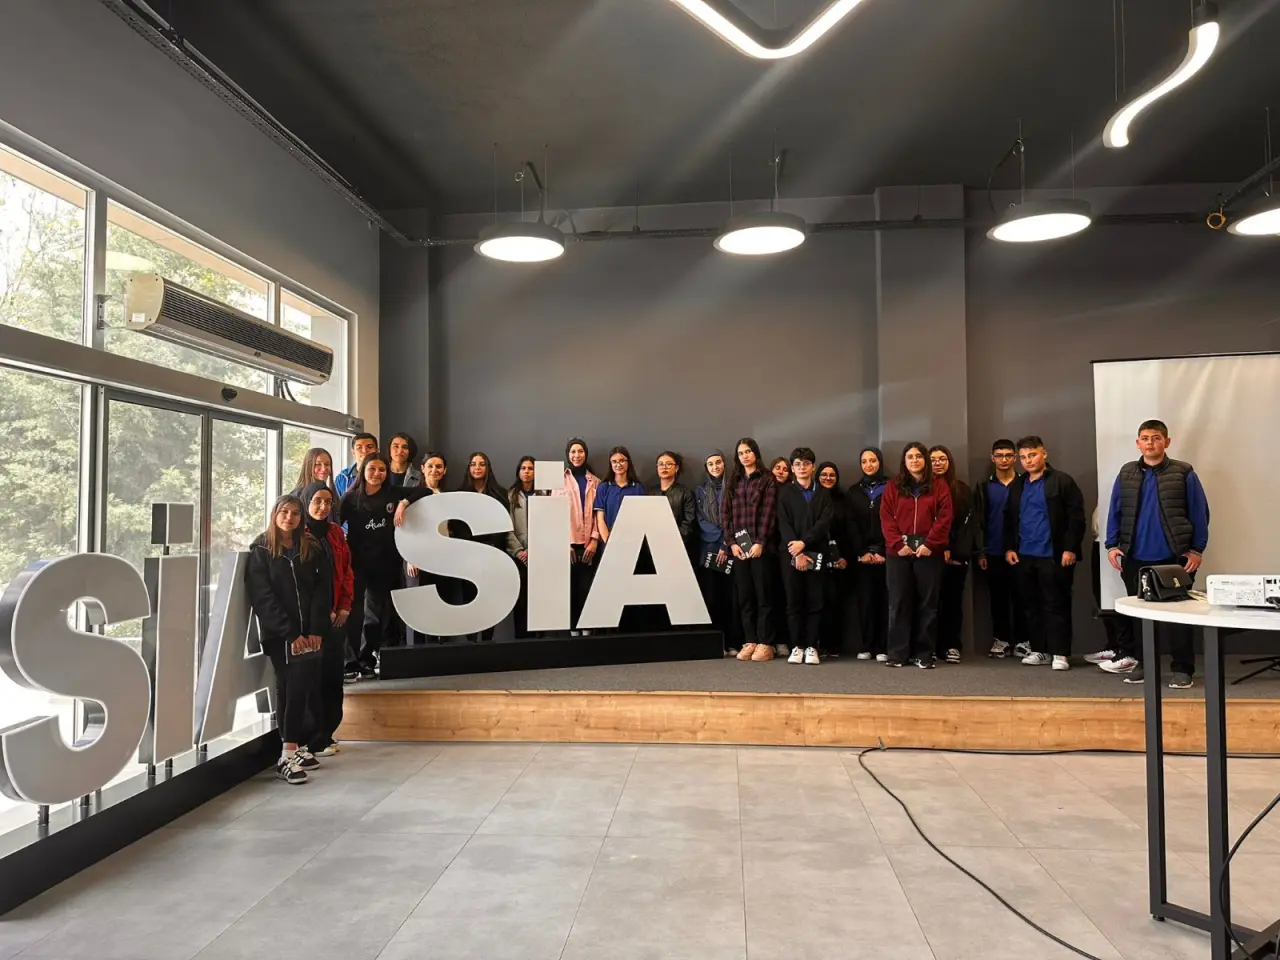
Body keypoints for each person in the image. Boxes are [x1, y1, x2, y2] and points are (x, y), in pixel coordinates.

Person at [1096, 420, 1209, 688]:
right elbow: (1115, 510)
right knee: (1140, 617)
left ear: (1166, 442)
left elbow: (1200, 512)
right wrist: (1112, 545)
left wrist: (1196, 549)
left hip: (1174, 558)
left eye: (1156, 438)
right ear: (1138, 443)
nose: (1150, 443)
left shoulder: (1184, 472)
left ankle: (1182, 669)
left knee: (1179, 618)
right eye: (1145, 438)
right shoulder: (1127, 473)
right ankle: (1145, 665)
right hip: (1135, 557)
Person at [244, 494, 330, 784]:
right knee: (292, 688)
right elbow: (262, 597)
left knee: (298, 688)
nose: (289, 518)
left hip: (309, 634)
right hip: (281, 636)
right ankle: (287, 755)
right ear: (274, 514)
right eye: (284, 512)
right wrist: (290, 633)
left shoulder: (310, 547)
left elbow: (321, 590)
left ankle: (295, 746)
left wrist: (315, 630)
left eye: (295, 513)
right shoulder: (261, 550)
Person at [341, 451, 432, 677]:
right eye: (372, 469)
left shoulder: (392, 493)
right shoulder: (350, 499)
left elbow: (425, 491)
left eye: (382, 469)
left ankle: (366, 660)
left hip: (384, 564)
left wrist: (403, 503)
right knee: (353, 614)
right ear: (363, 471)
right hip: (356, 564)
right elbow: (335, 525)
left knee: (374, 616)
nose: (377, 473)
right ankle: (349, 663)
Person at [1003, 436, 1086, 672]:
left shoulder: (1062, 481)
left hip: (1054, 555)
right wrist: (1009, 547)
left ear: (1044, 454)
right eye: (1023, 457)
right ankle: (1040, 650)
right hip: (1024, 555)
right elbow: (1009, 518)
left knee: (1056, 604)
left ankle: (1060, 653)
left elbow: (1076, 518)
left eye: (1032, 455)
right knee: (1031, 606)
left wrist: (1070, 548)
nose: (1028, 461)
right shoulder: (1018, 485)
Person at [881, 442, 952, 668]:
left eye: (919, 456)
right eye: (910, 457)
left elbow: (945, 518)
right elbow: (886, 517)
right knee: (898, 603)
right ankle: (898, 653)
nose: (914, 460)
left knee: (928, 605)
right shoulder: (893, 486)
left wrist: (930, 544)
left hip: (929, 553)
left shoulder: (939, 485)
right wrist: (897, 544)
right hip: (898, 553)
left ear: (925, 460)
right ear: (904, 461)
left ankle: (924, 654)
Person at [299, 482, 352, 758]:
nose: (322, 507)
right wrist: (323, 612)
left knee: (333, 677)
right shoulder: (298, 535)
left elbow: (347, 571)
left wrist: (344, 606)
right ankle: (313, 738)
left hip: (337, 618)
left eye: (327, 502)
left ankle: (328, 731)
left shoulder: (335, 532)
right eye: (317, 501)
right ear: (306, 502)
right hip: (312, 621)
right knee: (313, 680)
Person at [722, 437, 779, 662]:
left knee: (764, 596)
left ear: (755, 453)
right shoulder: (733, 481)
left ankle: (765, 642)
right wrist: (731, 543)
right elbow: (725, 514)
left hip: (761, 548)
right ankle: (750, 640)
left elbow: (769, 513)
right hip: (739, 549)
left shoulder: (767, 479)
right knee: (745, 597)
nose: (745, 456)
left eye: (748, 451)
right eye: (741, 453)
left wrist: (760, 542)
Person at [777, 447, 833, 665]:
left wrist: (805, 543)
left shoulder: (824, 494)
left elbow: (824, 523)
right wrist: (797, 549)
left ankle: (811, 646)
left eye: (806, 464)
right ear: (792, 468)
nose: (802, 468)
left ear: (813, 467)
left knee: (815, 601)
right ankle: (797, 646)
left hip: (816, 553)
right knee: (794, 601)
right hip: (790, 553)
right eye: (798, 464)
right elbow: (783, 523)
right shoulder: (785, 494)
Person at [972, 439, 1028, 659]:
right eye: (999, 455)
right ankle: (1001, 640)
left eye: (1008, 455)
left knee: (1023, 597)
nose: (1004, 460)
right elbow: (978, 520)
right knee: (998, 599)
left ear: (1015, 458)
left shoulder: (1025, 483)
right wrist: (981, 551)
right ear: (992, 458)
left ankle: (1023, 641)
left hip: (1022, 551)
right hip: (993, 550)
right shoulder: (984, 486)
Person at [453, 451, 509, 642]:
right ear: (468, 468)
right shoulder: (460, 494)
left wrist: (493, 547)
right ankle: (471, 641)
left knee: (489, 599)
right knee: (470, 598)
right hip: (469, 555)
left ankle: (487, 640)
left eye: (482, 464)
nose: (477, 468)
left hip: (493, 554)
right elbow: (457, 525)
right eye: (473, 464)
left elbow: (504, 524)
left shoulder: (500, 493)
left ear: (488, 468)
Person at [929, 445, 976, 664]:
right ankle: (930, 646)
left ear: (949, 462)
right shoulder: (923, 489)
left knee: (952, 602)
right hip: (930, 554)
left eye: (942, 459)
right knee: (930, 603)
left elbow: (967, 525)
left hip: (956, 557)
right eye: (933, 459)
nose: (938, 463)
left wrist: (955, 551)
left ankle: (951, 645)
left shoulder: (961, 489)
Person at [694, 450, 738, 654]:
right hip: (709, 550)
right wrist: (720, 540)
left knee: (731, 598)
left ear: (724, 464)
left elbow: (736, 518)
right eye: (710, 464)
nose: (715, 467)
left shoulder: (735, 487)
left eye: (718, 462)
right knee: (712, 596)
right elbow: (701, 520)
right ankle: (716, 644)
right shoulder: (700, 491)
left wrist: (725, 544)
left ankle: (733, 642)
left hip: (732, 549)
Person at [848, 447, 889, 661]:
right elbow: (850, 524)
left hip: (886, 555)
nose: (869, 465)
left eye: (872, 460)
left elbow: (895, 521)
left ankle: (883, 646)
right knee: (865, 602)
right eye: (864, 461)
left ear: (880, 462)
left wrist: (883, 550)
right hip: (862, 556)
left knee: (885, 601)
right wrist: (862, 552)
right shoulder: (854, 491)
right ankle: (867, 645)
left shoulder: (891, 487)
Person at [558, 438, 601, 634]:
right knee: (569, 591)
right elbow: (553, 514)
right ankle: (573, 631)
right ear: (568, 454)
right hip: (567, 546)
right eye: (573, 451)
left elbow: (599, 514)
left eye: (580, 451)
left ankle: (587, 630)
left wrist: (594, 540)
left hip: (589, 546)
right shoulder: (558, 481)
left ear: (586, 454)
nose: (577, 455)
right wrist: (563, 543)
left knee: (587, 590)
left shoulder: (596, 482)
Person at [817, 461, 858, 659]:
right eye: (824, 475)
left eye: (832, 475)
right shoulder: (812, 498)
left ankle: (833, 645)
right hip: (816, 559)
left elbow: (851, 531)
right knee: (817, 602)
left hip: (840, 559)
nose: (828, 478)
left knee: (836, 603)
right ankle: (817, 644)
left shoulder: (844, 499)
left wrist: (845, 557)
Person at [507, 456, 536, 638]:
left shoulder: (544, 494)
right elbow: (507, 528)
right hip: (519, 557)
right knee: (521, 599)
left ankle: (538, 638)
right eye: (523, 468)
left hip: (540, 555)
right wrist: (519, 551)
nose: (527, 472)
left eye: (530, 468)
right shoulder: (511, 495)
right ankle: (521, 638)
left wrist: (538, 549)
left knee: (538, 599)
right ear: (518, 472)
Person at [595, 446, 646, 543]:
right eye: (614, 461)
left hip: (631, 542)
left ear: (628, 462)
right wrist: (608, 543)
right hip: (608, 541)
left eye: (622, 461)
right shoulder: (603, 487)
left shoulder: (638, 488)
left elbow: (641, 519)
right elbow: (600, 520)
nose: (618, 465)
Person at [649, 451, 696, 545]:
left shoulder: (685, 492)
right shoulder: (650, 493)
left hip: (678, 543)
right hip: (654, 543)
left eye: (669, 464)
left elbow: (689, 522)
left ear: (676, 468)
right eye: (661, 464)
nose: (664, 467)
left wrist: (674, 539)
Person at [335, 433, 377, 499]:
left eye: (369, 447)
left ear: (377, 450)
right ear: (353, 452)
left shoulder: (386, 474)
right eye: (359, 447)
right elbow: (337, 503)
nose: (364, 451)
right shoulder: (343, 477)